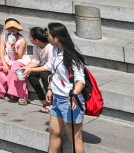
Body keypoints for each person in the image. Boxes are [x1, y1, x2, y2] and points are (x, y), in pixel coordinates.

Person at [44, 22, 87, 153]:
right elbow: (55, 73)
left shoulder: (72, 57)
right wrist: (50, 88)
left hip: (70, 101)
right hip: (57, 99)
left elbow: (80, 81)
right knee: (54, 131)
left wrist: (73, 95)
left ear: (57, 38)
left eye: (48, 34)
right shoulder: (55, 50)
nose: (47, 36)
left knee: (75, 137)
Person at [0, 19, 29, 104]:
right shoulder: (4, 37)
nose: (12, 30)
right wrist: (5, 64)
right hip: (7, 58)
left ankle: (21, 95)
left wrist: (13, 47)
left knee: (15, 68)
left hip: (19, 59)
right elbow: (1, 52)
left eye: (14, 28)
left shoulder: (22, 40)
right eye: (9, 28)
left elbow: (19, 56)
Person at [21, 26, 54, 108]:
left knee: (44, 75)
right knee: (30, 74)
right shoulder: (36, 46)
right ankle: (42, 98)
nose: (29, 39)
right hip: (43, 67)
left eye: (30, 37)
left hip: (52, 70)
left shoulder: (50, 47)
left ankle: (51, 101)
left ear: (36, 40)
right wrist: (25, 68)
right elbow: (36, 61)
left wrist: (31, 69)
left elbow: (49, 66)